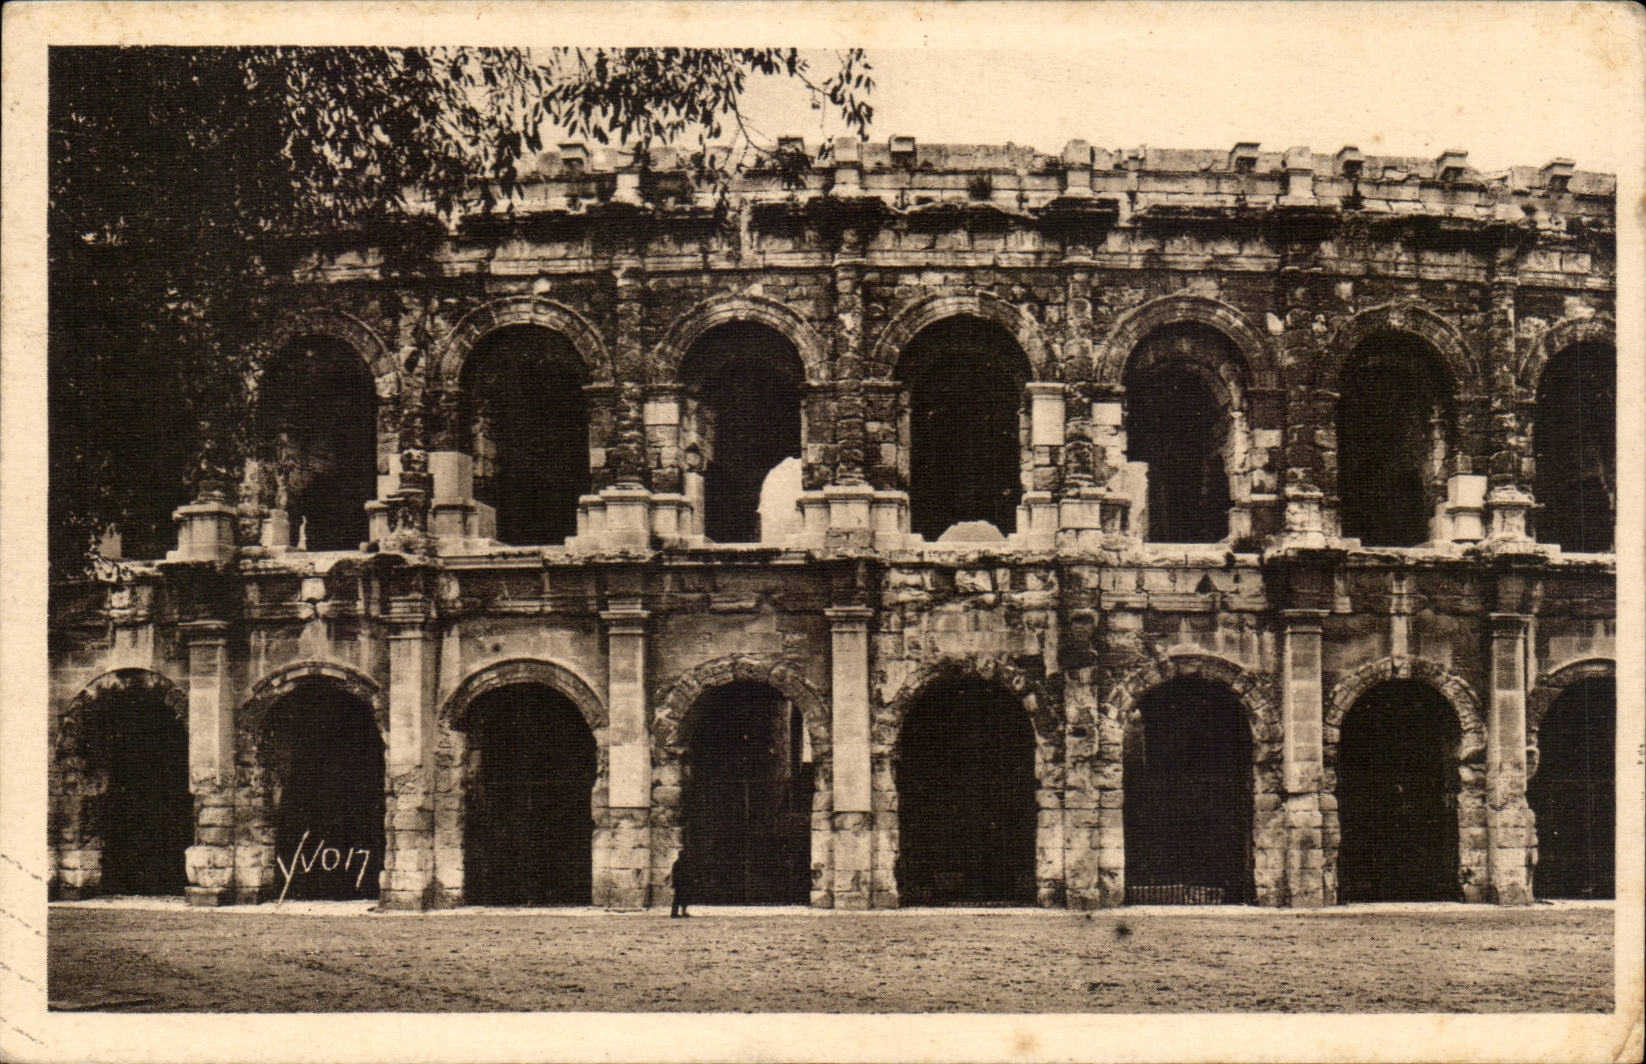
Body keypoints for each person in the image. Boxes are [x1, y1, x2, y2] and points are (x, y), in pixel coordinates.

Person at [670, 849, 693, 918]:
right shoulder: (678, 863)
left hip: (683, 884)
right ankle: (674, 913)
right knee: (677, 899)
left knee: (684, 898)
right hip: (680, 884)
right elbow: (674, 874)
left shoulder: (682, 863)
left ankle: (683, 912)